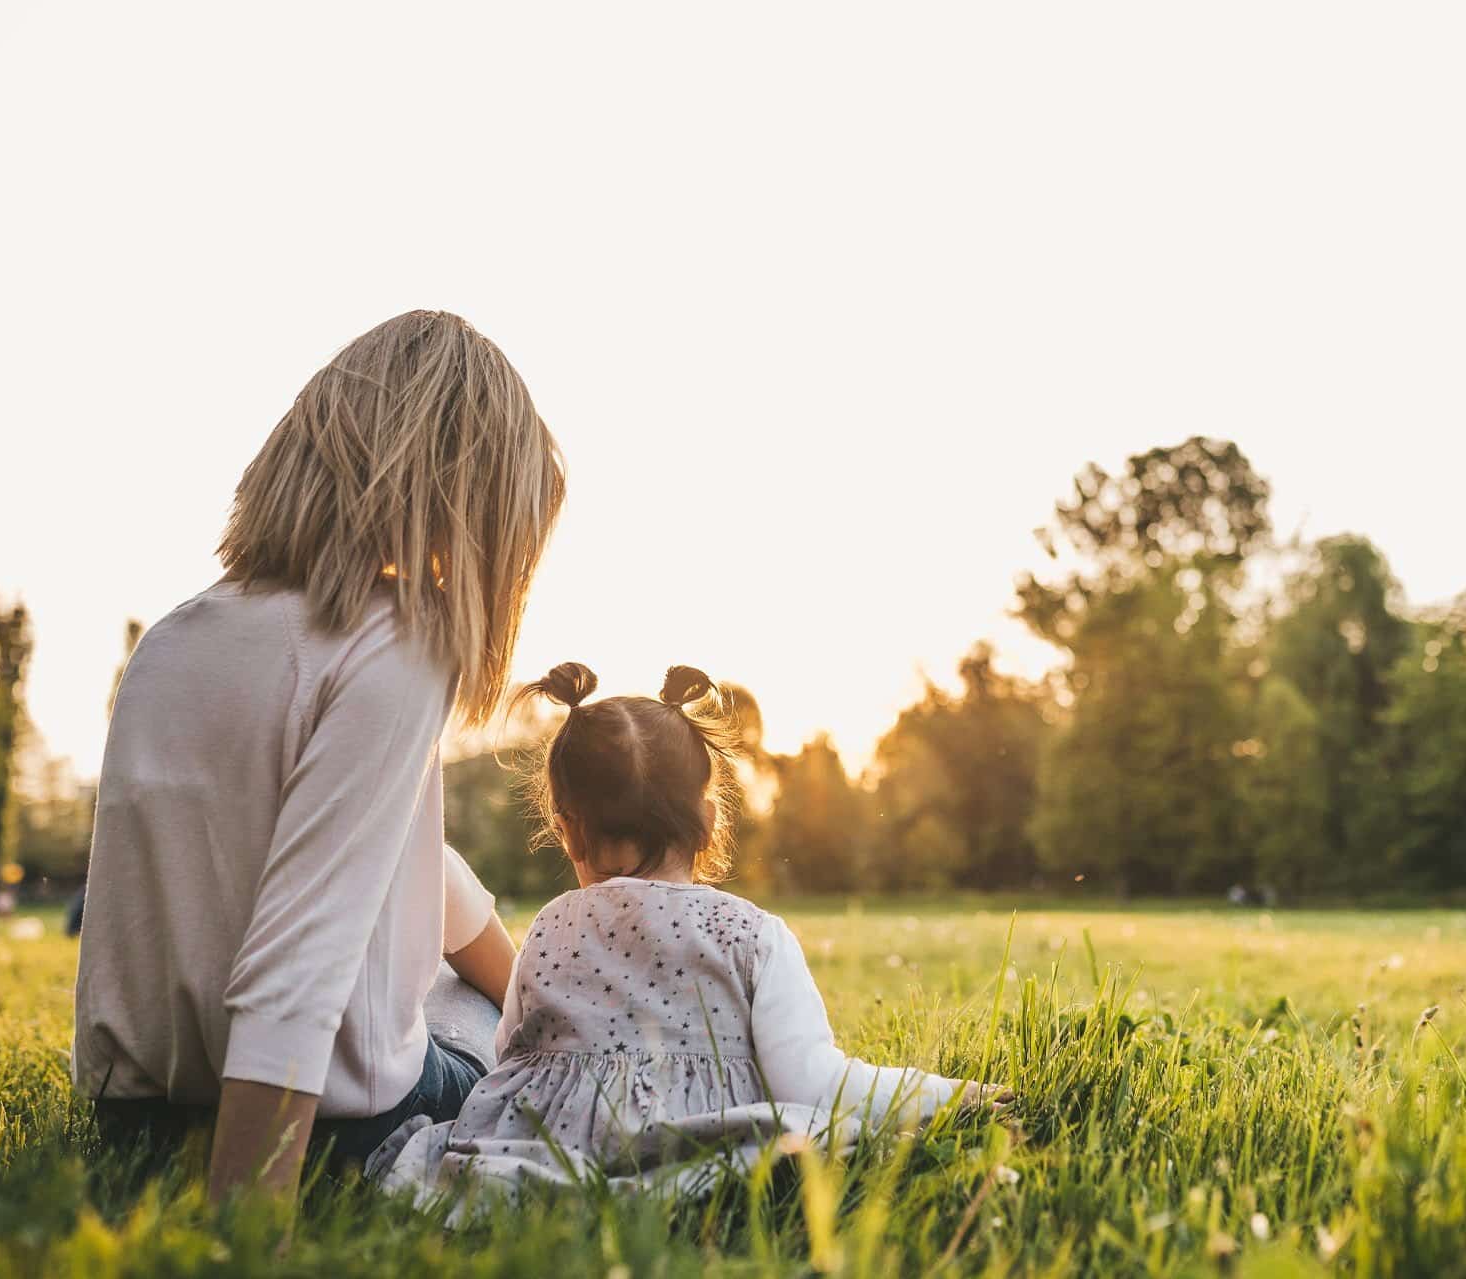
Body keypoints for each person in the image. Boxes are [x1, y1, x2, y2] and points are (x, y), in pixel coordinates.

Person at [72, 311, 565, 1202]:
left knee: (426, 895)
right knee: (484, 1021)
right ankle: (547, 1017)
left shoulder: (174, 637)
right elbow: (295, 964)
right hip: (320, 1132)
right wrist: (245, 1226)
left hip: (135, 1122)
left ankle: (526, 998)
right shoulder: (397, 641)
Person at [370, 663, 1011, 1204]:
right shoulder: (751, 935)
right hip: (696, 1141)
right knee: (807, 1130)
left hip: (546, 1146)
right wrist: (954, 1096)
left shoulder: (550, 926)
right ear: (708, 820)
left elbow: (510, 1056)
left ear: (567, 828)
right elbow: (814, 1082)